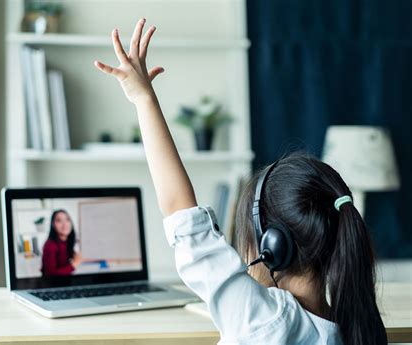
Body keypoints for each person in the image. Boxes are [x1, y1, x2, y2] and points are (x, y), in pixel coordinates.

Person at [94, 18, 387, 345]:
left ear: (271, 247)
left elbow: (181, 212)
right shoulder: (355, 329)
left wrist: (143, 100)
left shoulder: (264, 317)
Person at [41, 209, 83, 276]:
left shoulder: (67, 241)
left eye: (67, 219)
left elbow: (80, 258)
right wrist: (74, 264)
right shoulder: (50, 245)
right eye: (59, 221)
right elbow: (51, 275)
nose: (65, 224)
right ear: (53, 225)